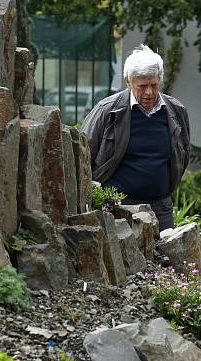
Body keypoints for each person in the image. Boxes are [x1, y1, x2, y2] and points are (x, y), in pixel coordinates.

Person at [81, 44, 190, 232]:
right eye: (142, 86)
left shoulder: (175, 110)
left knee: (163, 261)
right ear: (128, 82)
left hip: (160, 208)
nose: (149, 92)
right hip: (117, 208)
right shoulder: (107, 110)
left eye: (154, 85)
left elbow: (184, 153)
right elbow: (83, 156)